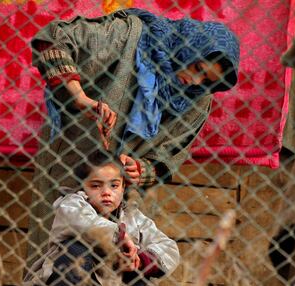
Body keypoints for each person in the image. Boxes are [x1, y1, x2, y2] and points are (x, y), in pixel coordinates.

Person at [28, 8, 240, 263]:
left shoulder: (198, 101)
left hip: (124, 199)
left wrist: (142, 170)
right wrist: (80, 98)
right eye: (197, 66)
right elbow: (52, 39)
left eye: (207, 80)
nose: (195, 81)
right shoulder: (129, 35)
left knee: (123, 261)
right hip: (69, 165)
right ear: (189, 46)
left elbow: (170, 156)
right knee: (55, 258)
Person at [23, 150, 180, 286]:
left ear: (123, 187)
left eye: (114, 185)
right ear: (83, 187)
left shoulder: (133, 216)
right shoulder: (71, 204)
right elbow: (84, 223)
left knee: (138, 269)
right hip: (71, 281)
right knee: (76, 250)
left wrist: (140, 260)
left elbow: (169, 248)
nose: (106, 192)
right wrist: (120, 236)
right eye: (96, 186)